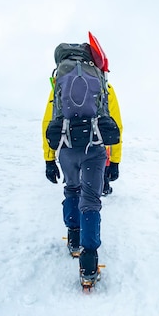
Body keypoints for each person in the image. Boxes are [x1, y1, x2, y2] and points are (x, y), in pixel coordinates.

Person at [42, 59, 123, 285]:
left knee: (71, 189)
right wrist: (114, 160)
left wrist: (49, 158)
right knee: (90, 200)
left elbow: (48, 122)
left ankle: (74, 238)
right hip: (94, 150)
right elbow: (116, 122)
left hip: (67, 149)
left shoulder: (60, 83)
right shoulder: (104, 85)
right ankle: (88, 264)